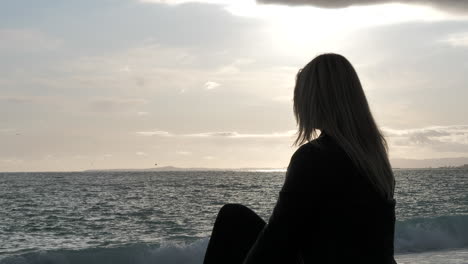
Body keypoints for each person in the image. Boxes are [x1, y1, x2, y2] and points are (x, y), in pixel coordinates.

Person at [203, 53, 397, 264]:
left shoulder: (314, 157)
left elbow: (276, 242)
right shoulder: (374, 160)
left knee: (232, 219)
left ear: (315, 99)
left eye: (301, 94)